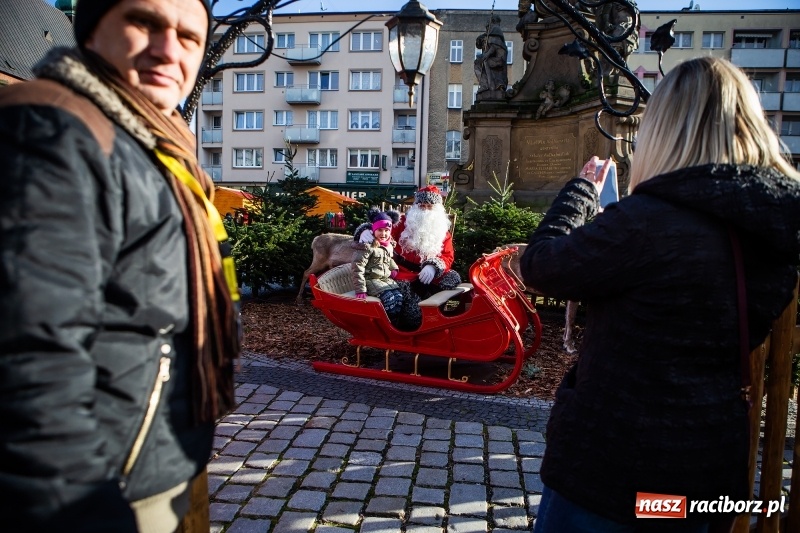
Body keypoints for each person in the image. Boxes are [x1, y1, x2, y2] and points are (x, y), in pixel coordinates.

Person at [520, 57, 800, 532]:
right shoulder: (769, 231)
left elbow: (542, 266)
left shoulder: (648, 222)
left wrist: (581, 191)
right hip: (699, 479)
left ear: (665, 131)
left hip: (611, 479)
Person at [0, 0, 241, 531]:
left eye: (189, 37)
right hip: (104, 482)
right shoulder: (56, 130)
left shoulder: (155, 144)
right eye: (144, 22)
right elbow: (30, 353)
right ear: (90, 32)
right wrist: (84, 506)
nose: (169, 50)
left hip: (157, 457)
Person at [355, 186, 461, 329]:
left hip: (429, 274)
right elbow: (381, 226)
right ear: (415, 206)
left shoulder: (441, 230)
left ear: (436, 209)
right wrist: (365, 231)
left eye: (429, 206)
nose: (425, 210)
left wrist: (433, 266)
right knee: (413, 313)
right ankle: (409, 323)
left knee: (453, 278)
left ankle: (439, 306)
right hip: (402, 272)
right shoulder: (403, 222)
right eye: (421, 206)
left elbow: (448, 256)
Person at [352, 210, 404, 328]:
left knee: (399, 297)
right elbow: (357, 267)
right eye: (380, 230)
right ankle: (385, 326)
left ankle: (395, 325)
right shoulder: (367, 246)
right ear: (373, 230)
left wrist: (394, 269)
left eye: (386, 230)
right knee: (389, 299)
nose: (383, 234)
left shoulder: (387, 245)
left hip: (384, 280)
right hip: (370, 280)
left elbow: (389, 259)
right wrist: (360, 290)